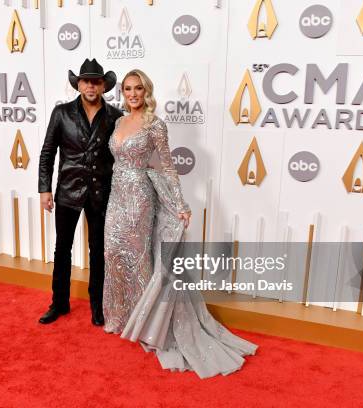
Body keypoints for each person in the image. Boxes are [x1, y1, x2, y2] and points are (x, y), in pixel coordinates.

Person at [103, 69, 257, 378]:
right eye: (128, 88)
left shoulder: (155, 125)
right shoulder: (119, 121)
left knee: (138, 258)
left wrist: (181, 204)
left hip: (140, 199)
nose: (133, 94)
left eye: (138, 89)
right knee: (113, 254)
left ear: (147, 92)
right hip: (116, 194)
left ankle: (146, 323)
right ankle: (120, 317)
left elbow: (169, 167)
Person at [38, 59, 123, 326]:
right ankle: (59, 303)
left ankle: (98, 306)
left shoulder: (115, 117)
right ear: (78, 84)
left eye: (96, 81)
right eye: (86, 81)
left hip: (101, 193)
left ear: (103, 86)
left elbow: (120, 157)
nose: (91, 86)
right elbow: (47, 152)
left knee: (98, 251)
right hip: (67, 192)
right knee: (62, 249)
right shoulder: (61, 113)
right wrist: (44, 189)